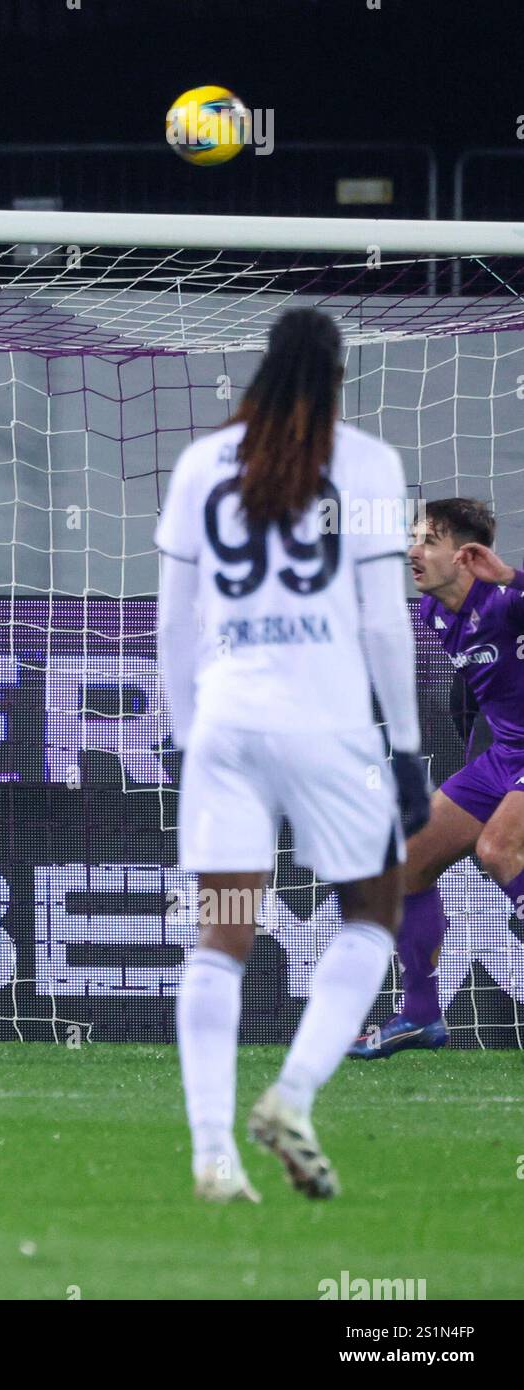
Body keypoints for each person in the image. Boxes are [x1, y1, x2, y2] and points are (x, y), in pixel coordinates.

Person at [155, 306, 430, 1204]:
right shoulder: (370, 464)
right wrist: (407, 749)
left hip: (230, 725)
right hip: (330, 728)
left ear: (261, 371)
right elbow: (385, 624)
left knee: (220, 936)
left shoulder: (201, 465)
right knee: (370, 914)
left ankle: (208, 1155)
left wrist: (190, 734)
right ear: (337, 375)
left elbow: (172, 623)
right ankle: (294, 1095)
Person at [350, 499, 524, 1058]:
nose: (413, 552)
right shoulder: (436, 616)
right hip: (506, 756)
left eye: (427, 541)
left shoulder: (507, 601)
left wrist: (512, 577)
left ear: (467, 555)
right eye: (413, 539)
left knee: (499, 851)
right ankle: (421, 1017)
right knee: (407, 867)